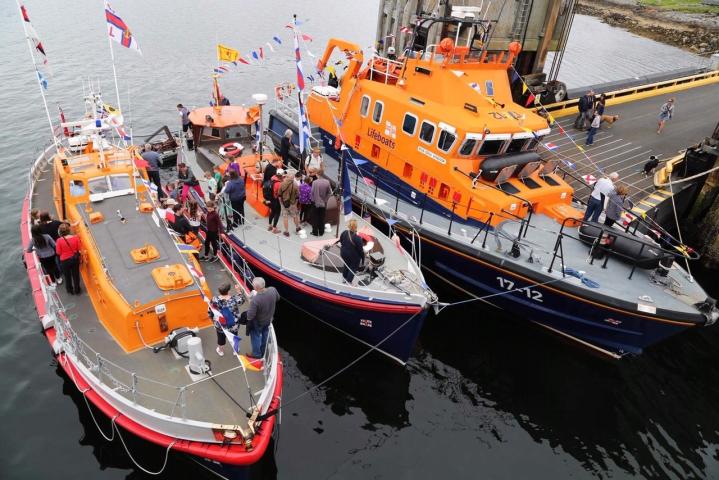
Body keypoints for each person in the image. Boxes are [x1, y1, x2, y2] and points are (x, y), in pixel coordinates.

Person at [246, 277, 279, 359]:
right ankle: (263, 350)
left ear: (255, 288)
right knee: (265, 333)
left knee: (256, 336)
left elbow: (250, 316)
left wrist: (250, 303)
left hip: (259, 323)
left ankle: (257, 354)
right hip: (269, 319)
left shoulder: (255, 300)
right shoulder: (272, 289)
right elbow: (278, 298)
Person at [210, 283, 245, 356]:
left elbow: (211, 312)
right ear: (228, 291)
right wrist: (238, 291)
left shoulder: (214, 299)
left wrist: (213, 321)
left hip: (220, 325)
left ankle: (220, 351)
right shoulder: (234, 299)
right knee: (234, 337)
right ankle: (235, 350)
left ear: (219, 292)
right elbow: (242, 300)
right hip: (233, 324)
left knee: (221, 339)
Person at [56, 223, 82, 295]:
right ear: (69, 230)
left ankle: (69, 289)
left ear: (60, 232)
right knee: (76, 275)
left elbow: (58, 252)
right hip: (74, 259)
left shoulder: (59, 241)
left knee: (67, 276)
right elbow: (78, 248)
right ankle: (77, 289)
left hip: (64, 261)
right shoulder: (75, 238)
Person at [339, 219, 365, 284]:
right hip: (352, 257)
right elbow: (361, 251)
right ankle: (349, 282)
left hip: (343, 253)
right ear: (356, 227)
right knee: (353, 267)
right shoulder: (358, 238)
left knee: (346, 264)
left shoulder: (344, 232)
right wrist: (363, 259)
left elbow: (341, 241)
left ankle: (344, 278)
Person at [279, 170, 301, 237]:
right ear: (293, 177)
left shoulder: (282, 184)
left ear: (287, 177)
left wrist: (281, 203)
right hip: (293, 203)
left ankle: (286, 231)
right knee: (295, 216)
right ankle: (297, 228)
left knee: (285, 217)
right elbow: (297, 196)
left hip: (284, 203)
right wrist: (295, 203)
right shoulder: (295, 185)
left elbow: (279, 195)